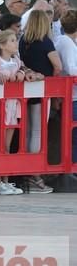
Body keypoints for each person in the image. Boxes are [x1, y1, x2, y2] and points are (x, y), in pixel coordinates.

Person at [19, 9, 61, 193]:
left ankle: (25, 171)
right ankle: (33, 173)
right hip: (42, 89)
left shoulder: (22, 41)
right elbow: (58, 65)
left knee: (27, 131)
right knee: (37, 131)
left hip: (23, 90)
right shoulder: (45, 41)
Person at [0, 30, 30, 195]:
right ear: (2, 44)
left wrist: (21, 73)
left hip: (11, 107)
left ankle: (5, 179)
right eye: (11, 40)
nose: (15, 43)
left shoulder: (16, 61)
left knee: (7, 146)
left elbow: (23, 70)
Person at [55, 9, 77, 164]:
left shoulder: (63, 40)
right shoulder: (67, 43)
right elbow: (71, 69)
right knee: (74, 137)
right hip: (73, 97)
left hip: (70, 96)